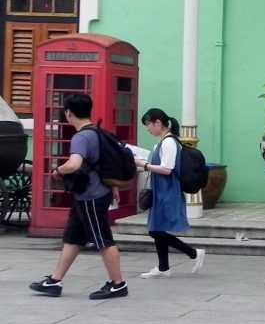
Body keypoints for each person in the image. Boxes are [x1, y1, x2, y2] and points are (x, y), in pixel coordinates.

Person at [29, 92, 129, 300]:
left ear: (68, 112)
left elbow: (74, 164)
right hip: (88, 195)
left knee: (103, 240)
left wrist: (59, 170)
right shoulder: (97, 132)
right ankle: (55, 281)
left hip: (91, 196)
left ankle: (118, 284)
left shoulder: (81, 136)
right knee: (73, 237)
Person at [136, 108, 204, 279]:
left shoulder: (169, 142)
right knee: (156, 228)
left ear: (158, 123)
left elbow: (167, 169)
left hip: (167, 191)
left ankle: (194, 253)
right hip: (162, 190)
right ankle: (163, 267)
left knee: (155, 230)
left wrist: (143, 165)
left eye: (148, 125)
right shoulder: (165, 141)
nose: (148, 129)